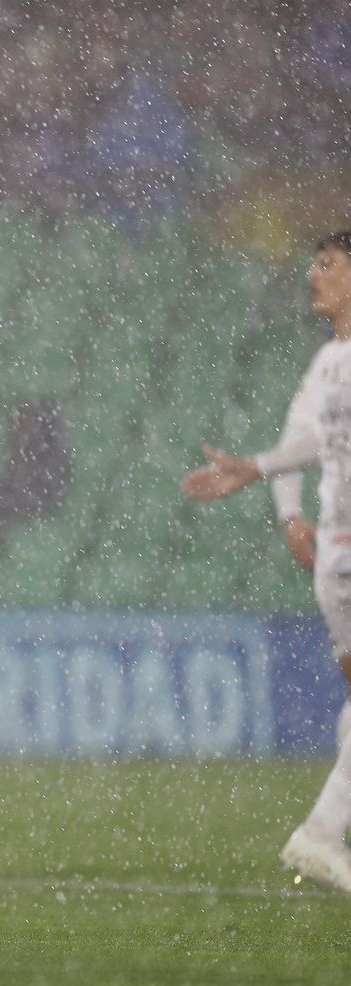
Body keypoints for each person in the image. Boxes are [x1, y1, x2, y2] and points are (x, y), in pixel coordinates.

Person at [183, 230, 351, 893]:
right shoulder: (332, 361)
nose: (313, 274)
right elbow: (302, 439)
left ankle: (328, 828)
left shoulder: (333, 362)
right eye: (314, 262)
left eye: (329, 265)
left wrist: (266, 478)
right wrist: (275, 492)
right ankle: (319, 833)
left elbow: (307, 437)